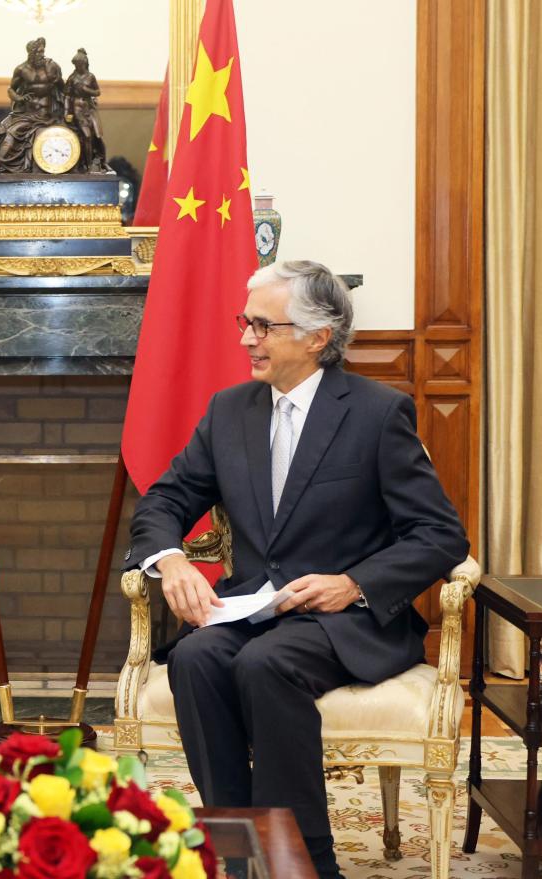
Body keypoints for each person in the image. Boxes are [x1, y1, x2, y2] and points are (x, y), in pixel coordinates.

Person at [126, 260, 469, 879]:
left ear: (318, 337)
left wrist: (354, 584)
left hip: (346, 619)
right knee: (195, 657)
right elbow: (164, 499)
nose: (245, 338)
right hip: (254, 606)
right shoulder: (229, 411)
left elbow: (441, 535)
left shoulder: (378, 412)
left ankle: (306, 863)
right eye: (245, 323)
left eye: (262, 325)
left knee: (265, 664)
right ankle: (238, 854)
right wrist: (171, 556)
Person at [0, 37, 64, 174]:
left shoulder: (52, 66)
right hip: (26, 113)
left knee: (13, 132)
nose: (41, 55)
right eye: (37, 52)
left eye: (42, 51)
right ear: (30, 53)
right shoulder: (21, 69)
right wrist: (19, 97)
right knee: (1, 132)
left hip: (48, 114)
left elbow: (63, 88)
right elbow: (11, 90)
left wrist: (58, 80)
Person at [64, 48, 109, 173]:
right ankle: (88, 166)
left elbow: (97, 92)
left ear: (85, 63)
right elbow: (67, 95)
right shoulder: (72, 78)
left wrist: (87, 90)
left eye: (81, 64)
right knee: (86, 136)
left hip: (90, 108)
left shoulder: (90, 76)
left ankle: (102, 161)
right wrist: (67, 112)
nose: (79, 67)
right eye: (77, 65)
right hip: (77, 107)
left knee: (98, 135)